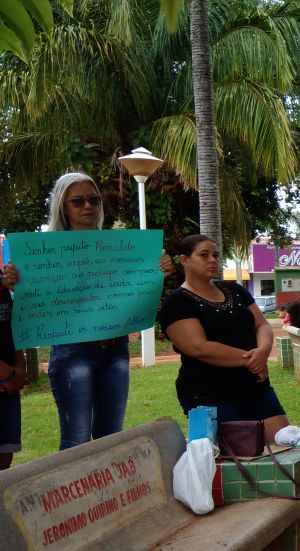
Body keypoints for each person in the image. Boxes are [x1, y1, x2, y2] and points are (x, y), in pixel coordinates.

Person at [1, 172, 172, 450]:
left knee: (111, 437)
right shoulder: (41, 252)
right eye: (77, 201)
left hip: (115, 349)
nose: (88, 207)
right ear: (63, 207)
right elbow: (25, 298)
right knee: (76, 440)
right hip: (72, 352)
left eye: (93, 200)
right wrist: (14, 281)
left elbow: (136, 285)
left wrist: (160, 269)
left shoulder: (122, 248)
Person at [160, 235, 287, 440]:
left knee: (284, 443)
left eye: (216, 255)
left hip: (256, 387)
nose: (212, 260)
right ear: (184, 260)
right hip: (210, 393)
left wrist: (263, 352)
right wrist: (253, 361)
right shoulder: (177, 303)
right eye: (204, 255)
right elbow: (198, 347)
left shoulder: (235, 290)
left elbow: (262, 324)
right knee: (236, 458)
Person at [0, 282, 27, 469]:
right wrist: (7, 374)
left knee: (4, 456)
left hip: (8, 386)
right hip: (6, 378)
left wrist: (20, 364)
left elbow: (12, 324)